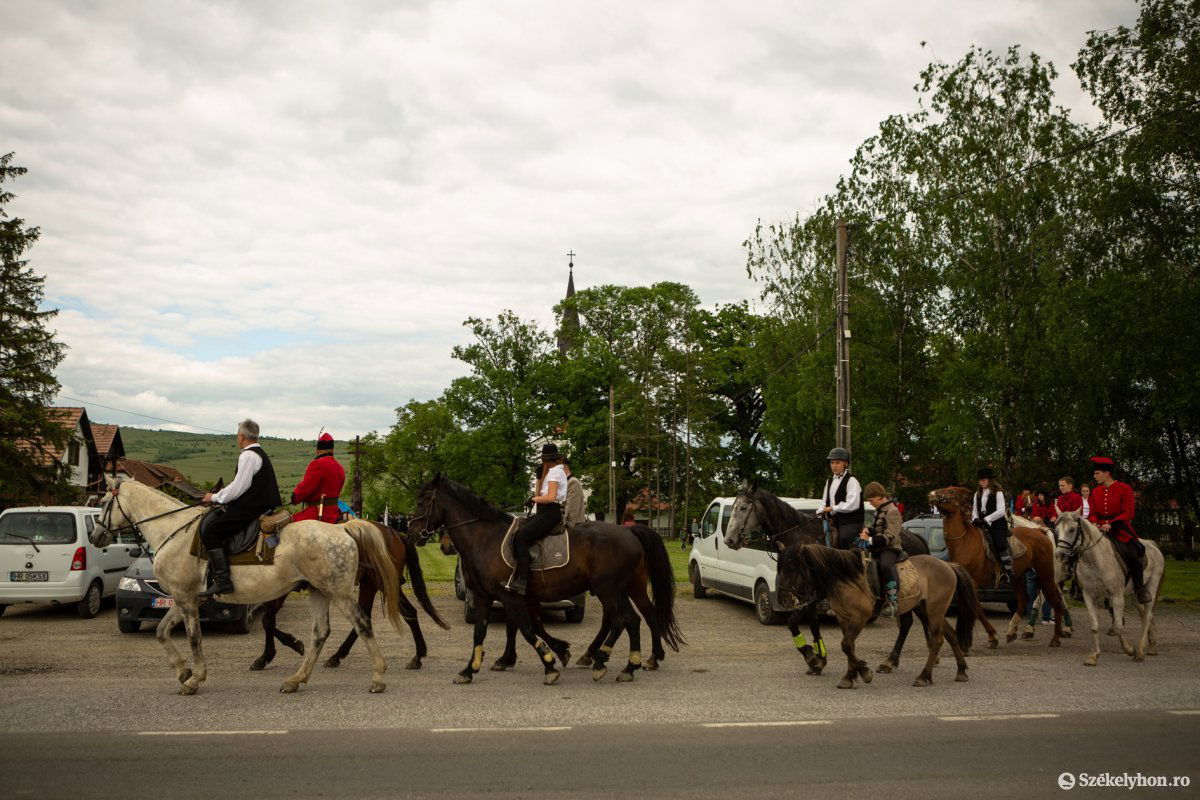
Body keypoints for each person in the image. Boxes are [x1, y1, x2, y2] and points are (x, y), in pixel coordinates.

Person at [199, 419, 281, 596]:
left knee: (211, 532)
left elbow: (238, 487)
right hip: (262, 504)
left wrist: (213, 497)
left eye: (238, 434)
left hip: (252, 508)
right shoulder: (260, 453)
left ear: (242, 436)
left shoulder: (248, 455)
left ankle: (223, 581)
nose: (238, 437)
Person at [505, 443, 567, 596]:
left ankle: (523, 580)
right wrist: (539, 478)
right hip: (544, 511)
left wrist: (534, 499)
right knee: (519, 531)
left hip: (551, 512)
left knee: (520, 537)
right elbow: (540, 493)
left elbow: (551, 497)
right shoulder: (550, 472)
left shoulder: (555, 473)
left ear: (546, 460)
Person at [1088, 456, 1151, 604]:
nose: (1094, 476)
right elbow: (1092, 513)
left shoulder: (1125, 488)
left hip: (1120, 529)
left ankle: (1139, 589)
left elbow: (1129, 512)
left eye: (1097, 473)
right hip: (1100, 530)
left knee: (1134, 556)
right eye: (1095, 473)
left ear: (1107, 474)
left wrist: (1111, 523)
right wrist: (1095, 523)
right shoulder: (1095, 491)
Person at [859, 482, 904, 617]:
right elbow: (879, 529)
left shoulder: (893, 511)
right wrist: (869, 530)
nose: (870, 503)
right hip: (878, 547)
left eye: (871, 500)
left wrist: (870, 540)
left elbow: (891, 535)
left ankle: (892, 601)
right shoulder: (879, 509)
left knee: (885, 566)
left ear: (879, 496)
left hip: (891, 548)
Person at [290, 432, 345, 524]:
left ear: (319, 450)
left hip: (317, 513)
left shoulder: (317, 464)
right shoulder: (340, 467)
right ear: (332, 450)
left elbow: (306, 487)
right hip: (335, 513)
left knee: (286, 528)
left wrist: (295, 498)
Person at [972, 467, 1014, 587]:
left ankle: (1008, 570)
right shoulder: (977, 494)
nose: (981, 482)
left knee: (999, 543)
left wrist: (986, 519)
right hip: (981, 524)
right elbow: (975, 510)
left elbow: (1001, 511)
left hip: (997, 525)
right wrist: (975, 519)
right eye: (980, 480)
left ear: (990, 480)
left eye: (984, 480)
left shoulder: (998, 492)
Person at [820, 447, 863, 549]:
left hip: (850, 522)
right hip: (834, 521)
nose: (834, 466)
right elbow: (824, 502)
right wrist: (820, 511)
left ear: (846, 464)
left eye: (837, 463)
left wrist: (832, 508)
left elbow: (852, 504)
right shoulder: (829, 481)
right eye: (832, 463)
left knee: (844, 539)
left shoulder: (852, 481)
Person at [562, 459, 585, 526]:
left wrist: (566, 527)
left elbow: (571, 509)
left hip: (574, 527)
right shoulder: (565, 482)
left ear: (562, 466)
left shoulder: (572, 482)